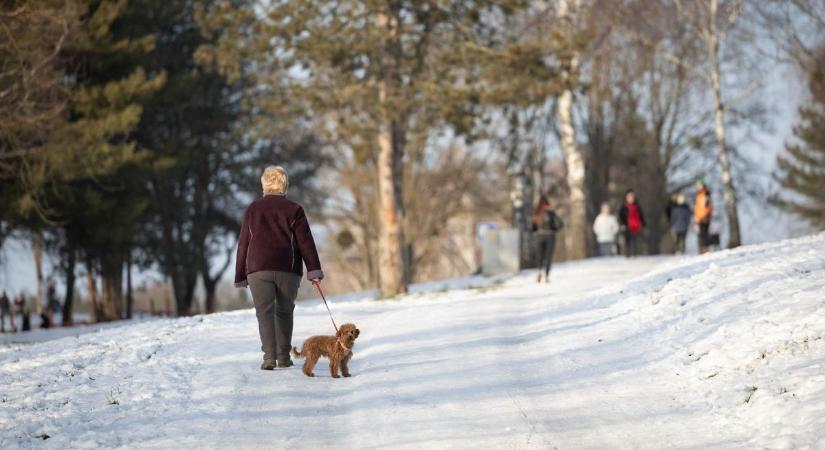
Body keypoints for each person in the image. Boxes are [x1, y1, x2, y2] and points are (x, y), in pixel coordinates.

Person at [234, 165, 324, 371]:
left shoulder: (253, 209)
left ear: (264, 184)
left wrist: (240, 274)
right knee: (284, 311)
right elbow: (306, 242)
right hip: (288, 268)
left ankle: (268, 358)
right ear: (285, 185)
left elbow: (243, 243)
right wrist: (314, 271)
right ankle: (283, 357)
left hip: (258, 269)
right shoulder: (294, 209)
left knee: (264, 312)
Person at [532, 196, 564, 283]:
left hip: (539, 236)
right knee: (548, 256)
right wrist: (554, 229)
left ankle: (539, 271)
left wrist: (536, 232)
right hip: (550, 235)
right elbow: (560, 224)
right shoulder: (551, 213)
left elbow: (533, 227)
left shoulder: (536, 213)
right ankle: (546, 274)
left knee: (540, 256)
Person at [618, 189, 646, 257]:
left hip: (635, 226)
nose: (631, 198)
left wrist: (643, 223)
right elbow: (621, 216)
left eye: (632, 197)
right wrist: (622, 224)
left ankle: (634, 253)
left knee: (634, 240)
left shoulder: (637, 206)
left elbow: (641, 216)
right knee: (627, 240)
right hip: (626, 226)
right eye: (629, 197)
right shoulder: (624, 207)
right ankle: (628, 254)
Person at [694, 179, 713, 254]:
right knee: (701, 234)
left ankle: (705, 250)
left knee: (704, 234)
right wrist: (696, 217)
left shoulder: (706, 194)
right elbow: (698, 207)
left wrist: (706, 215)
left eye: (699, 185)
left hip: (704, 217)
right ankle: (702, 249)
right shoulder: (699, 194)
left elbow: (707, 206)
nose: (697, 187)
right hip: (699, 217)